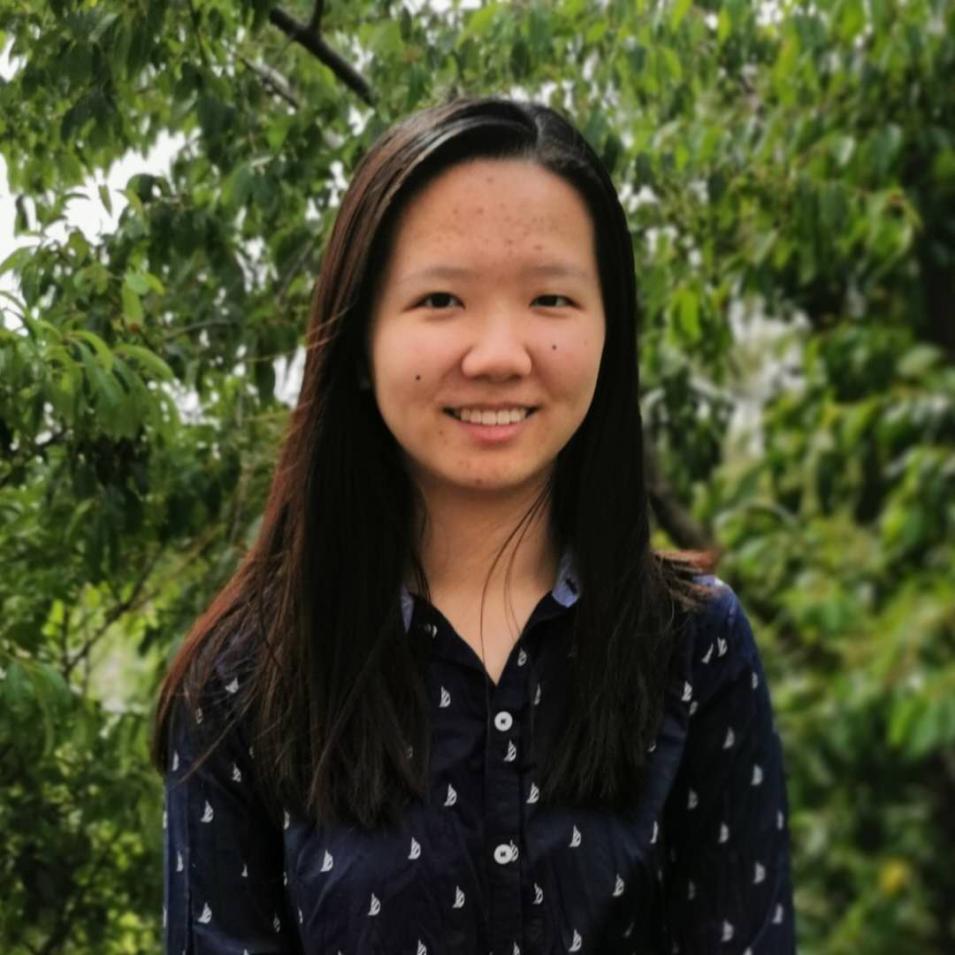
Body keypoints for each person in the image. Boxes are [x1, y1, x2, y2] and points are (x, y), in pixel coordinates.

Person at [152, 96, 795, 955]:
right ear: (361, 337)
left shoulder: (693, 644)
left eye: (551, 298)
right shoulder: (244, 678)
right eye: (442, 298)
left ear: (610, 330)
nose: (498, 354)